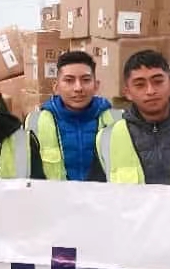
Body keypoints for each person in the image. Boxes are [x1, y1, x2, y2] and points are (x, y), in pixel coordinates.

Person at [90, 50, 170, 185]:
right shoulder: (108, 138)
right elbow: (97, 192)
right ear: (127, 92)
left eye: (158, 82)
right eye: (140, 85)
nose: (150, 91)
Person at [25, 50, 120, 181]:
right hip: (54, 194)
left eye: (86, 80)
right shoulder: (35, 123)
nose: (78, 88)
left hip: (105, 194)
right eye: (69, 80)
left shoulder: (117, 120)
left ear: (96, 85)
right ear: (56, 87)